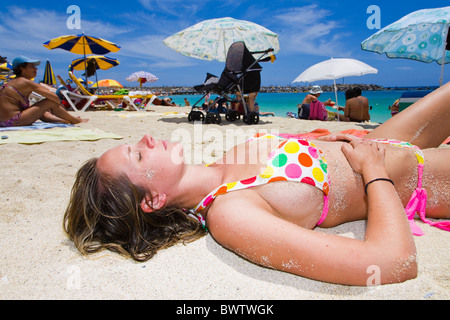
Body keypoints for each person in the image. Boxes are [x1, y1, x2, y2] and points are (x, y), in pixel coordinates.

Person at [64, 83, 450, 286]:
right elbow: (391, 264)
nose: (147, 140)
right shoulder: (231, 216)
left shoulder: (220, 164)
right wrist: (373, 173)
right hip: (426, 175)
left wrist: (321, 139)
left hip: (389, 140)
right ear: (153, 200)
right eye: (137, 155)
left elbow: (299, 161)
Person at [0, 56, 88, 127]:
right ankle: (74, 120)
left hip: (4, 122)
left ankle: (64, 120)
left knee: (41, 108)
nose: (36, 69)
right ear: (21, 68)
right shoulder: (25, 82)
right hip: (13, 121)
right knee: (48, 102)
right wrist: (56, 106)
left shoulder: (12, 82)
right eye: (32, 66)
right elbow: (54, 97)